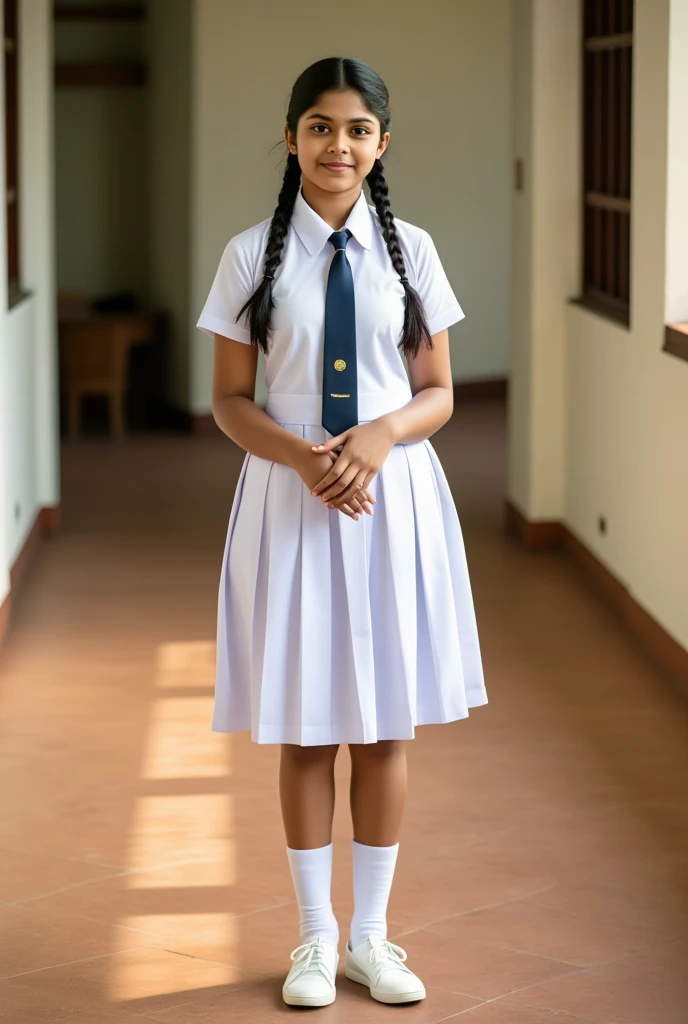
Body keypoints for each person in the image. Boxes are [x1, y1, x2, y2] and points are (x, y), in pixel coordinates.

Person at [196, 56, 488, 1009]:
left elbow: (439, 392)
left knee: (384, 722)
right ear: (291, 139)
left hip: (392, 500)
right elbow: (230, 403)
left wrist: (378, 434)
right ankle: (315, 941)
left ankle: (373, 937)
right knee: (309, 724)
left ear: (381, 145)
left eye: (358, 129)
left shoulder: (414, 251)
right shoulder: (250, 256)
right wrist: (302, 458)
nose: (338, 145)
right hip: (291, 501)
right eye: (319, 127)